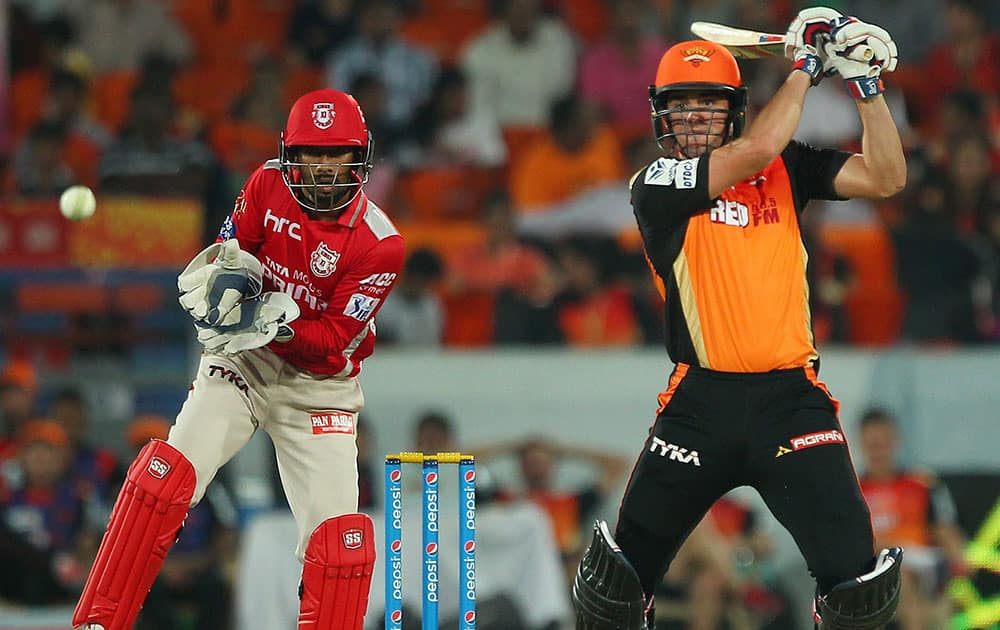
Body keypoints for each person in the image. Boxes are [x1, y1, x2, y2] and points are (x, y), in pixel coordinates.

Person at [571, 8, 909, 630]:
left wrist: (865, 85)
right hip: (700, 405)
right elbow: (757, 148)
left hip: (791, 402)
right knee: (614, 593)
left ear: (734, 108)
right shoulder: (657, 183)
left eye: (708, 104)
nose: (695, 118)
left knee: (858, 593)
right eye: (682, 106)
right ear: (660, 117)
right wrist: (808, 65)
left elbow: (887, 177)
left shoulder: (789, 169)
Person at [72, 88, 405, 630]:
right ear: (288, 155)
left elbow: (332, 340)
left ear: (361, 157)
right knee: (164, 478)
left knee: (339, 544)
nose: (323, 168)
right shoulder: (265, 184)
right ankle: (98, 623)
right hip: (243, 361)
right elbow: (234, 251)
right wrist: (225, 286)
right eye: (310, 155)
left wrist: (274, 321)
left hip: (317, 386)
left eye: (337, 154)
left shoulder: (380, 244)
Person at [857, 408, 969, 630]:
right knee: (903, 576)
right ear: (861, 445)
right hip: (876, 574)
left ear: (896, 442)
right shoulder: (855, 492)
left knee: (940, 601)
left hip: (928, 570)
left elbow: (946, 530)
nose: (878, 452)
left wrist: (959, 561)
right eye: (872, 446)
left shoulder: (922, 484)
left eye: (884, 444)